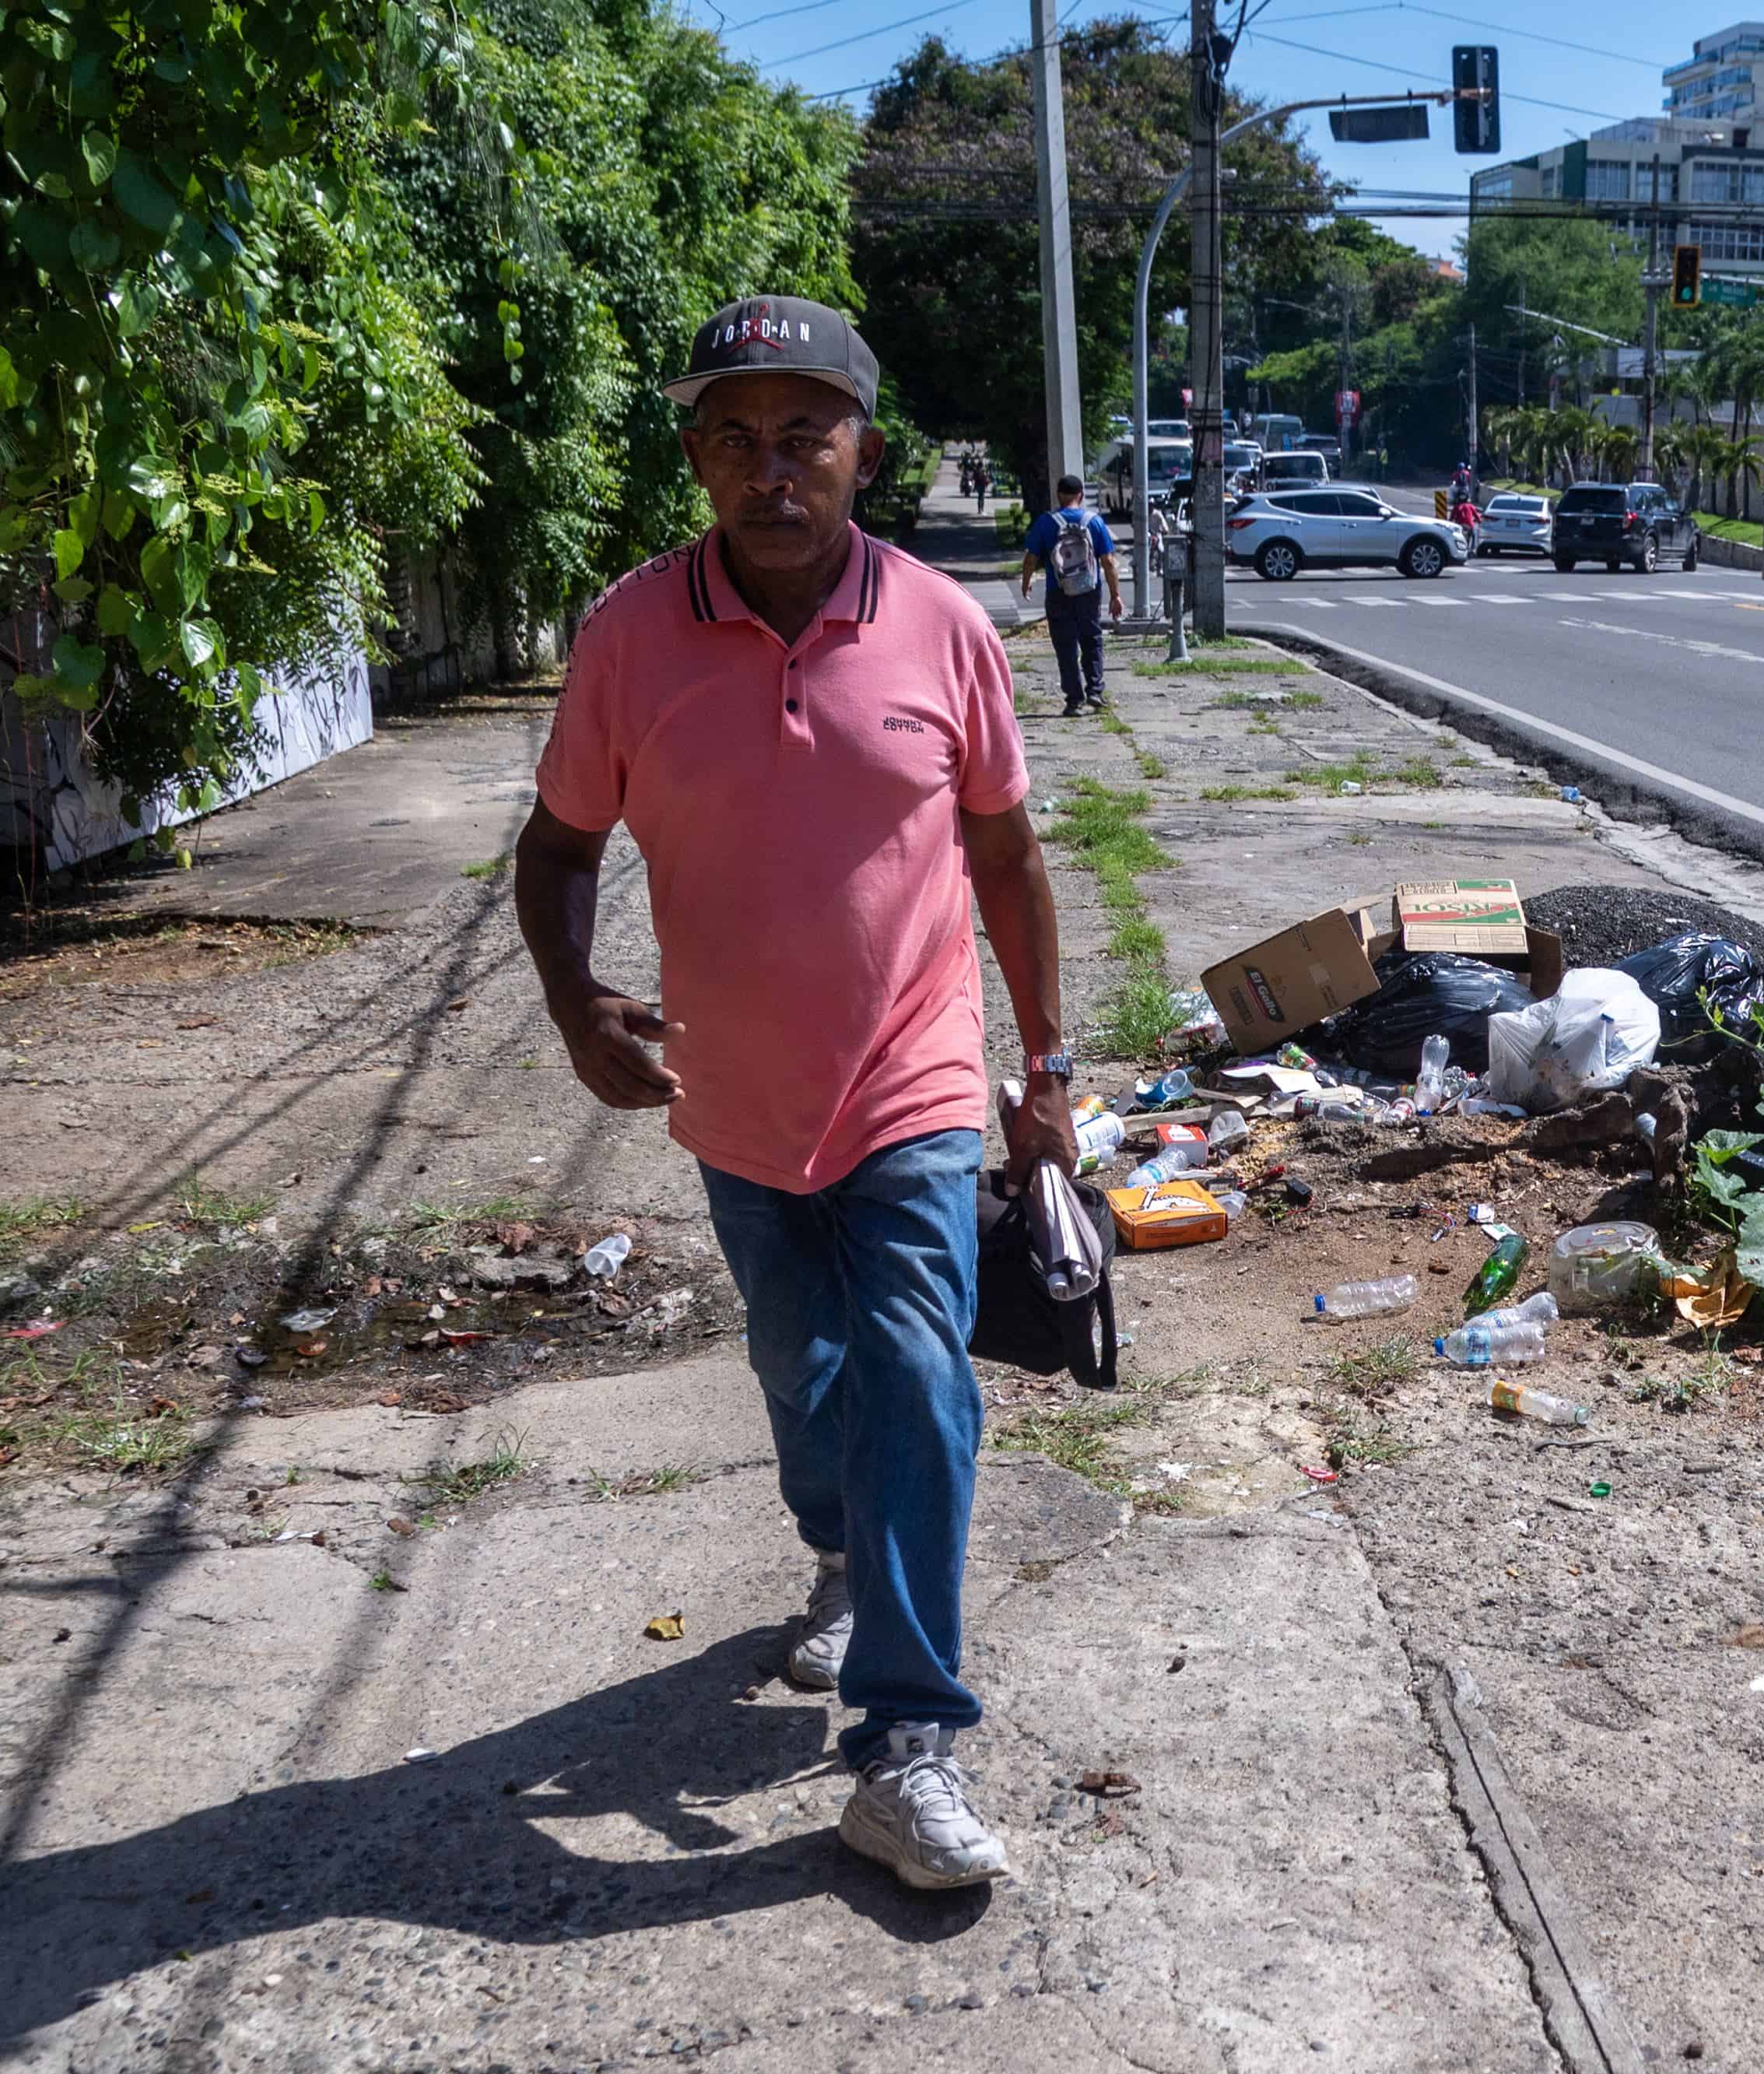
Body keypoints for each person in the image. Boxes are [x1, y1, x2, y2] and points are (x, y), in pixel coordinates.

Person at [514, 294, 1074, 1892]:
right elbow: (558, 847)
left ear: (863, 454)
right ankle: (840, 1548)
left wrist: (1044, 1070)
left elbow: (1004, 855)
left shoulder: (942, 627)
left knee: (916, 1371)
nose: (771, 471)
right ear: (696, 457)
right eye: (735, 438)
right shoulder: (629, 636)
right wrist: (573, 995)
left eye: (804, 438)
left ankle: (907, 1746)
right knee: (800, 1366)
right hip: (734, 1094)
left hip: (913, 1074)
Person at [1018, 475, 1124, 718]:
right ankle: (1095, 690)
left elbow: (1031, 558)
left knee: (1065, 646)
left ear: (1058, 495)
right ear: (1081, 496)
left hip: (1058, 592)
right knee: (1092, 639)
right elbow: (1108, 562)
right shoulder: (1094, 522)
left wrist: (1026, 582)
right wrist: (1115, 595)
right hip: (1089, 591)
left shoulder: (1046, 522)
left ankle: (1074, 701)